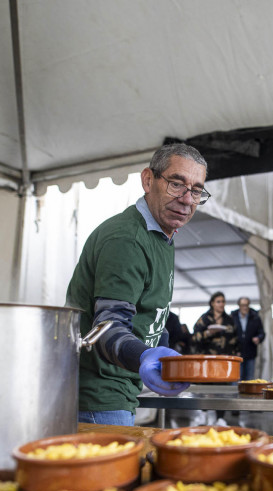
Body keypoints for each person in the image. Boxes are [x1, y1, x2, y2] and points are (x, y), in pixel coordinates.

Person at [65, 143, 209, 426]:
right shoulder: (127, 239)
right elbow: (105, 329)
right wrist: (146, 355)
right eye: (176, 184)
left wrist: (168, 357)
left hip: (123, 389)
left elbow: (152, 313)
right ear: (147, 180)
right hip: (100, 395)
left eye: (196, 190)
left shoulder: (162, 235)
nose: (186, 199)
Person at [190, 291, 238, 355]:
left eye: (223, 301)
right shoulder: (204, 319)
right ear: (212, 303)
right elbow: (194, 338)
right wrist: (208, 333)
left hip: (226, 358)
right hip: (207, 358)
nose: (221, 304)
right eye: (218, 302)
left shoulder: (229, 319)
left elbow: (236, 338)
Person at [231, 297, 266, 381]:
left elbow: (262, 332)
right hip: (237, 352)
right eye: (243, 305)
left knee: (249, 378)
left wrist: (258, 338)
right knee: (237, 378)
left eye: (246, 305)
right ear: (239, 306)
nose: (245, 307)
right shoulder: (233, 317)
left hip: (250, 352)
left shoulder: (255, 317)